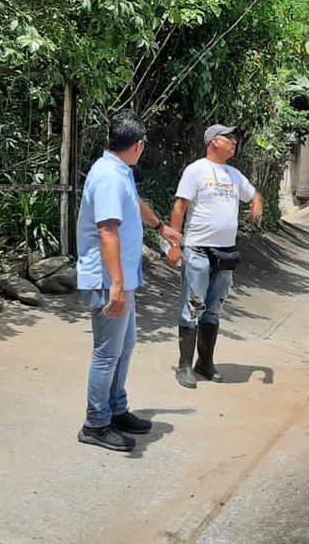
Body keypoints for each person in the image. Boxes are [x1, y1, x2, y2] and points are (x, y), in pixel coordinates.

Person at [76, 113, 182, 452]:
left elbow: (134, 204)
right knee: (108, 353)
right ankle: (95, 423)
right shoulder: (107, 176)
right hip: (109, 280)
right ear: (138, 146)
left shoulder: (120, 172)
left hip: (121, 278)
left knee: (125, 346)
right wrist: (117, 287)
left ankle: (116, 409)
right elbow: (108, 230)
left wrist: (160, 227)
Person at [168, 124, 263, 389]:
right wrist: (175, 244)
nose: (234, 141)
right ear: (213, 141)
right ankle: (184, 366)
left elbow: (254, 193)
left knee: (214, 309)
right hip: (197, 249)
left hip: (225, 253)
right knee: (193, 307)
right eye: (229, 137)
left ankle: (205, 363)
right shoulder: (195, 170)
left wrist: (256, 203)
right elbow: (180, 207)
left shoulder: (234, 174)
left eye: (235, 137)